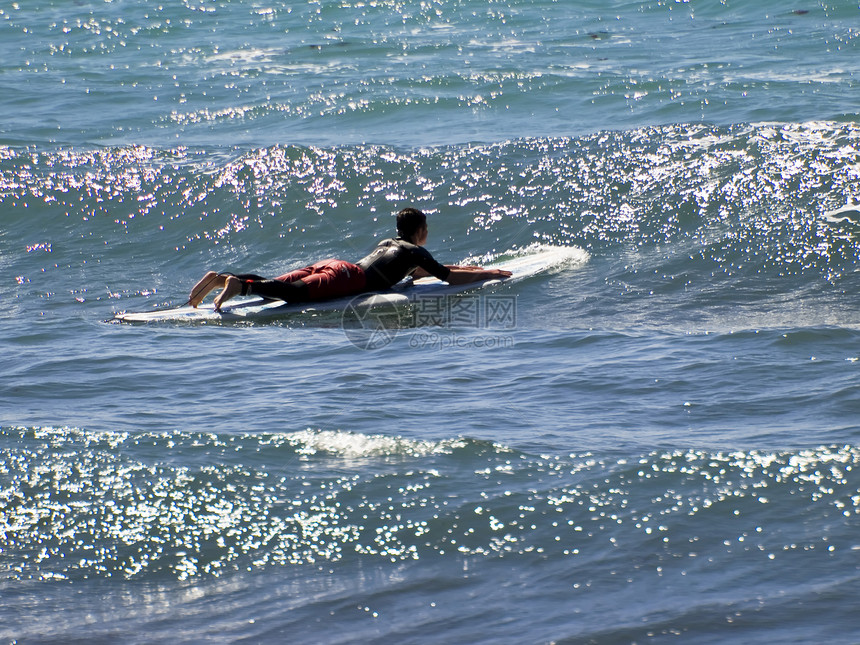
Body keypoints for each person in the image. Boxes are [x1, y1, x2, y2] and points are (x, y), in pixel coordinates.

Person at [188, 208, 512, 310]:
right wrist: (490, 276)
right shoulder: (416, 251)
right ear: (420, 230)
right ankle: (238, 287)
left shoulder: (391, 244)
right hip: (349, 280)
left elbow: (431, 272)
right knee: (291, 294)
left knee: (281, 282)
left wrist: (478, 268)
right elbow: (446, 277)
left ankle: (222, 277)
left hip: (336, 266)